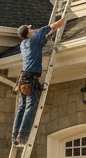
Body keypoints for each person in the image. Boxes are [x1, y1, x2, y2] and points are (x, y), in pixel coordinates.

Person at [11, 14, 66, 144]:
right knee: (30, 106)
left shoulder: (23, 44)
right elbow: (57, 24)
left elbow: (39, 42)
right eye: (30, 28)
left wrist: (42, 36)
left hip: (23, 79)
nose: (33, 29)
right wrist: (64, 17)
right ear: (29, 32)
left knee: (22, 107)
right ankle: (23, 136)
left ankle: (15, 136)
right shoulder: (36, 37)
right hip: (31, 80)